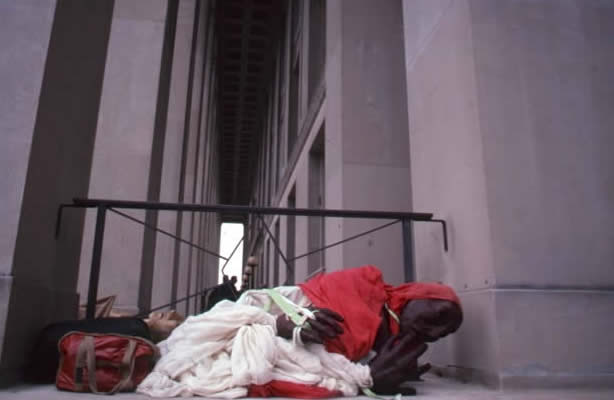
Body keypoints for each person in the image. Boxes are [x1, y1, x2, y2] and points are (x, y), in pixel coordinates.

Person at [137, 265, 462, 398]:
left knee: (242, 366)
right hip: (268, 319)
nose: (434, 330)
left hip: (287, 351)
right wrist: (290, 324)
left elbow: (324, 366)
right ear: (418, 294)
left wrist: (369, 377)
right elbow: (277, 303)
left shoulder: (393, 345)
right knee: (223, 341)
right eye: (438, 315)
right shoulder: (364, 282)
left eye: (443, 333)